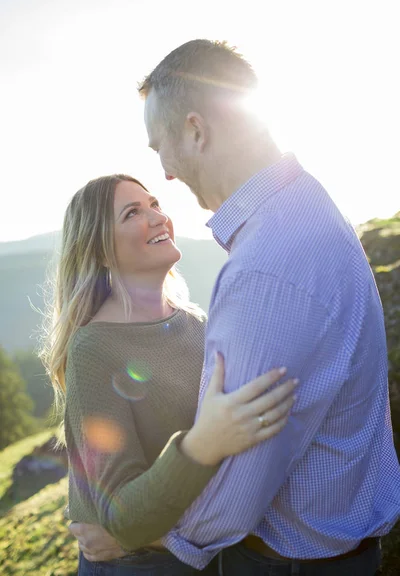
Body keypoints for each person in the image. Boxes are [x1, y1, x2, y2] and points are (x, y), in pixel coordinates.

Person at [71, 40, 400, 575]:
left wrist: (140, 539)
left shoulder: (262, 271)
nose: (168, 174)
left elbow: (242, 477)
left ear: (197, 131)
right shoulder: (306, 208)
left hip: (286, 563)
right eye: (134, 210)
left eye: (162, 149)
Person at [40, 173, 298, 576]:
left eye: (155, 204)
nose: (158, 217)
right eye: (133, 213)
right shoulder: (94, 348)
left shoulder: (196, 323)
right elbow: (120, 516)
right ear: (101, 251)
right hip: (139, 568)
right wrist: (200, 446)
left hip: (203, 552)